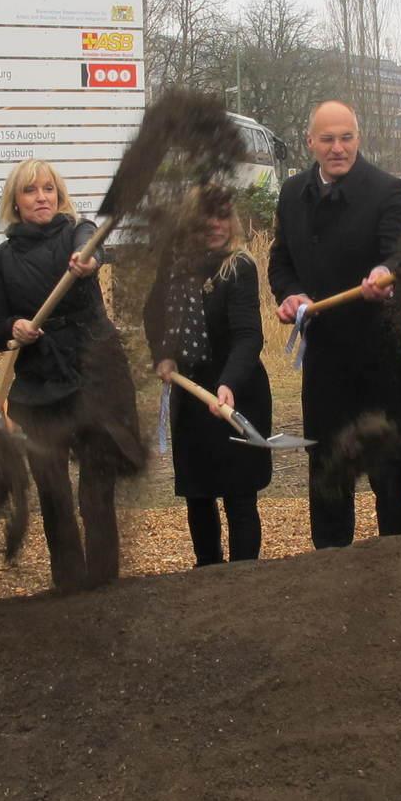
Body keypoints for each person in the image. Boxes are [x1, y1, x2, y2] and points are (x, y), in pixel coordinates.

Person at [0, 159, 143, 591]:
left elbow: (91, 243)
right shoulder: (3, 259)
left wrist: (86, 260)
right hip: (40, 382)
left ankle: (104, 581)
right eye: (31, 190)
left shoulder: (77, 233)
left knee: (96, 487)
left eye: (48, 189)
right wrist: (14, 327)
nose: (42, 197)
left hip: (93, 374)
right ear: (16, 202)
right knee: (52, 488)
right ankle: (68, 584)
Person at [269, 101, 401, 547]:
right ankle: (330, 564)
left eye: (346, 137)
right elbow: (281, 262)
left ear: (358, 138)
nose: (338, 148)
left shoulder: (389, 190)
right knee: (327, 467)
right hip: (324, 357)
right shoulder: (292, 192)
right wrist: (290, 294)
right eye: (328, 139)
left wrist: (385, 273)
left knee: (388, 469)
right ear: (310, 142)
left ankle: (397, 558)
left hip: (379, 354)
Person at [146, 183, 273, 565]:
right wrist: (163, 355)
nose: (216, 224)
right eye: (206, 217)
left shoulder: (239, 266)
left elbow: (248, 335)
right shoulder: (175, 266)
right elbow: (153, 314)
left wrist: (228, 384)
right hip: (192, 394)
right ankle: (207, 576)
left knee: (240, 496)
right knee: (199, 495)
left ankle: (243, 580)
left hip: (238, 392)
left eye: (222, 216)